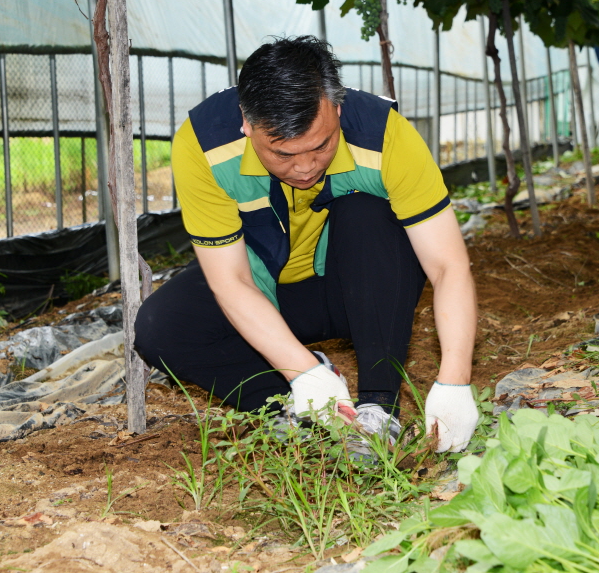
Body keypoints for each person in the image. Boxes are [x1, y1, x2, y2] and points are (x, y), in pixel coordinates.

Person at [135, 36, 479, 453]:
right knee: (160, 328)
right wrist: (303, 372)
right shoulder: (203, 144)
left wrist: (455, 381)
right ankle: (292, 405)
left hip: (360, 293)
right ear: (247, 126)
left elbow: (447, 265)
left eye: (321, 146)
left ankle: (378, 408)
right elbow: (230, 281)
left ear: (337, 109)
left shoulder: (384, 133)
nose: (304, 167)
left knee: (368, 211)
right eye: (282, 154)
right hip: (264, 297)